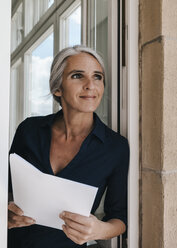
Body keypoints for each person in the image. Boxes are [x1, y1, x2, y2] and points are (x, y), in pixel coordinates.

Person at [7, 45, 130, 248]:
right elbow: (6, 191)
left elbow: (119, 218)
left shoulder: (115, 147)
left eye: (97, 77)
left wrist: (99, 230)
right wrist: (7, 216)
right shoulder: (28, 130)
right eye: (77, 76)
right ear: (57, 87)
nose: (91, 85)